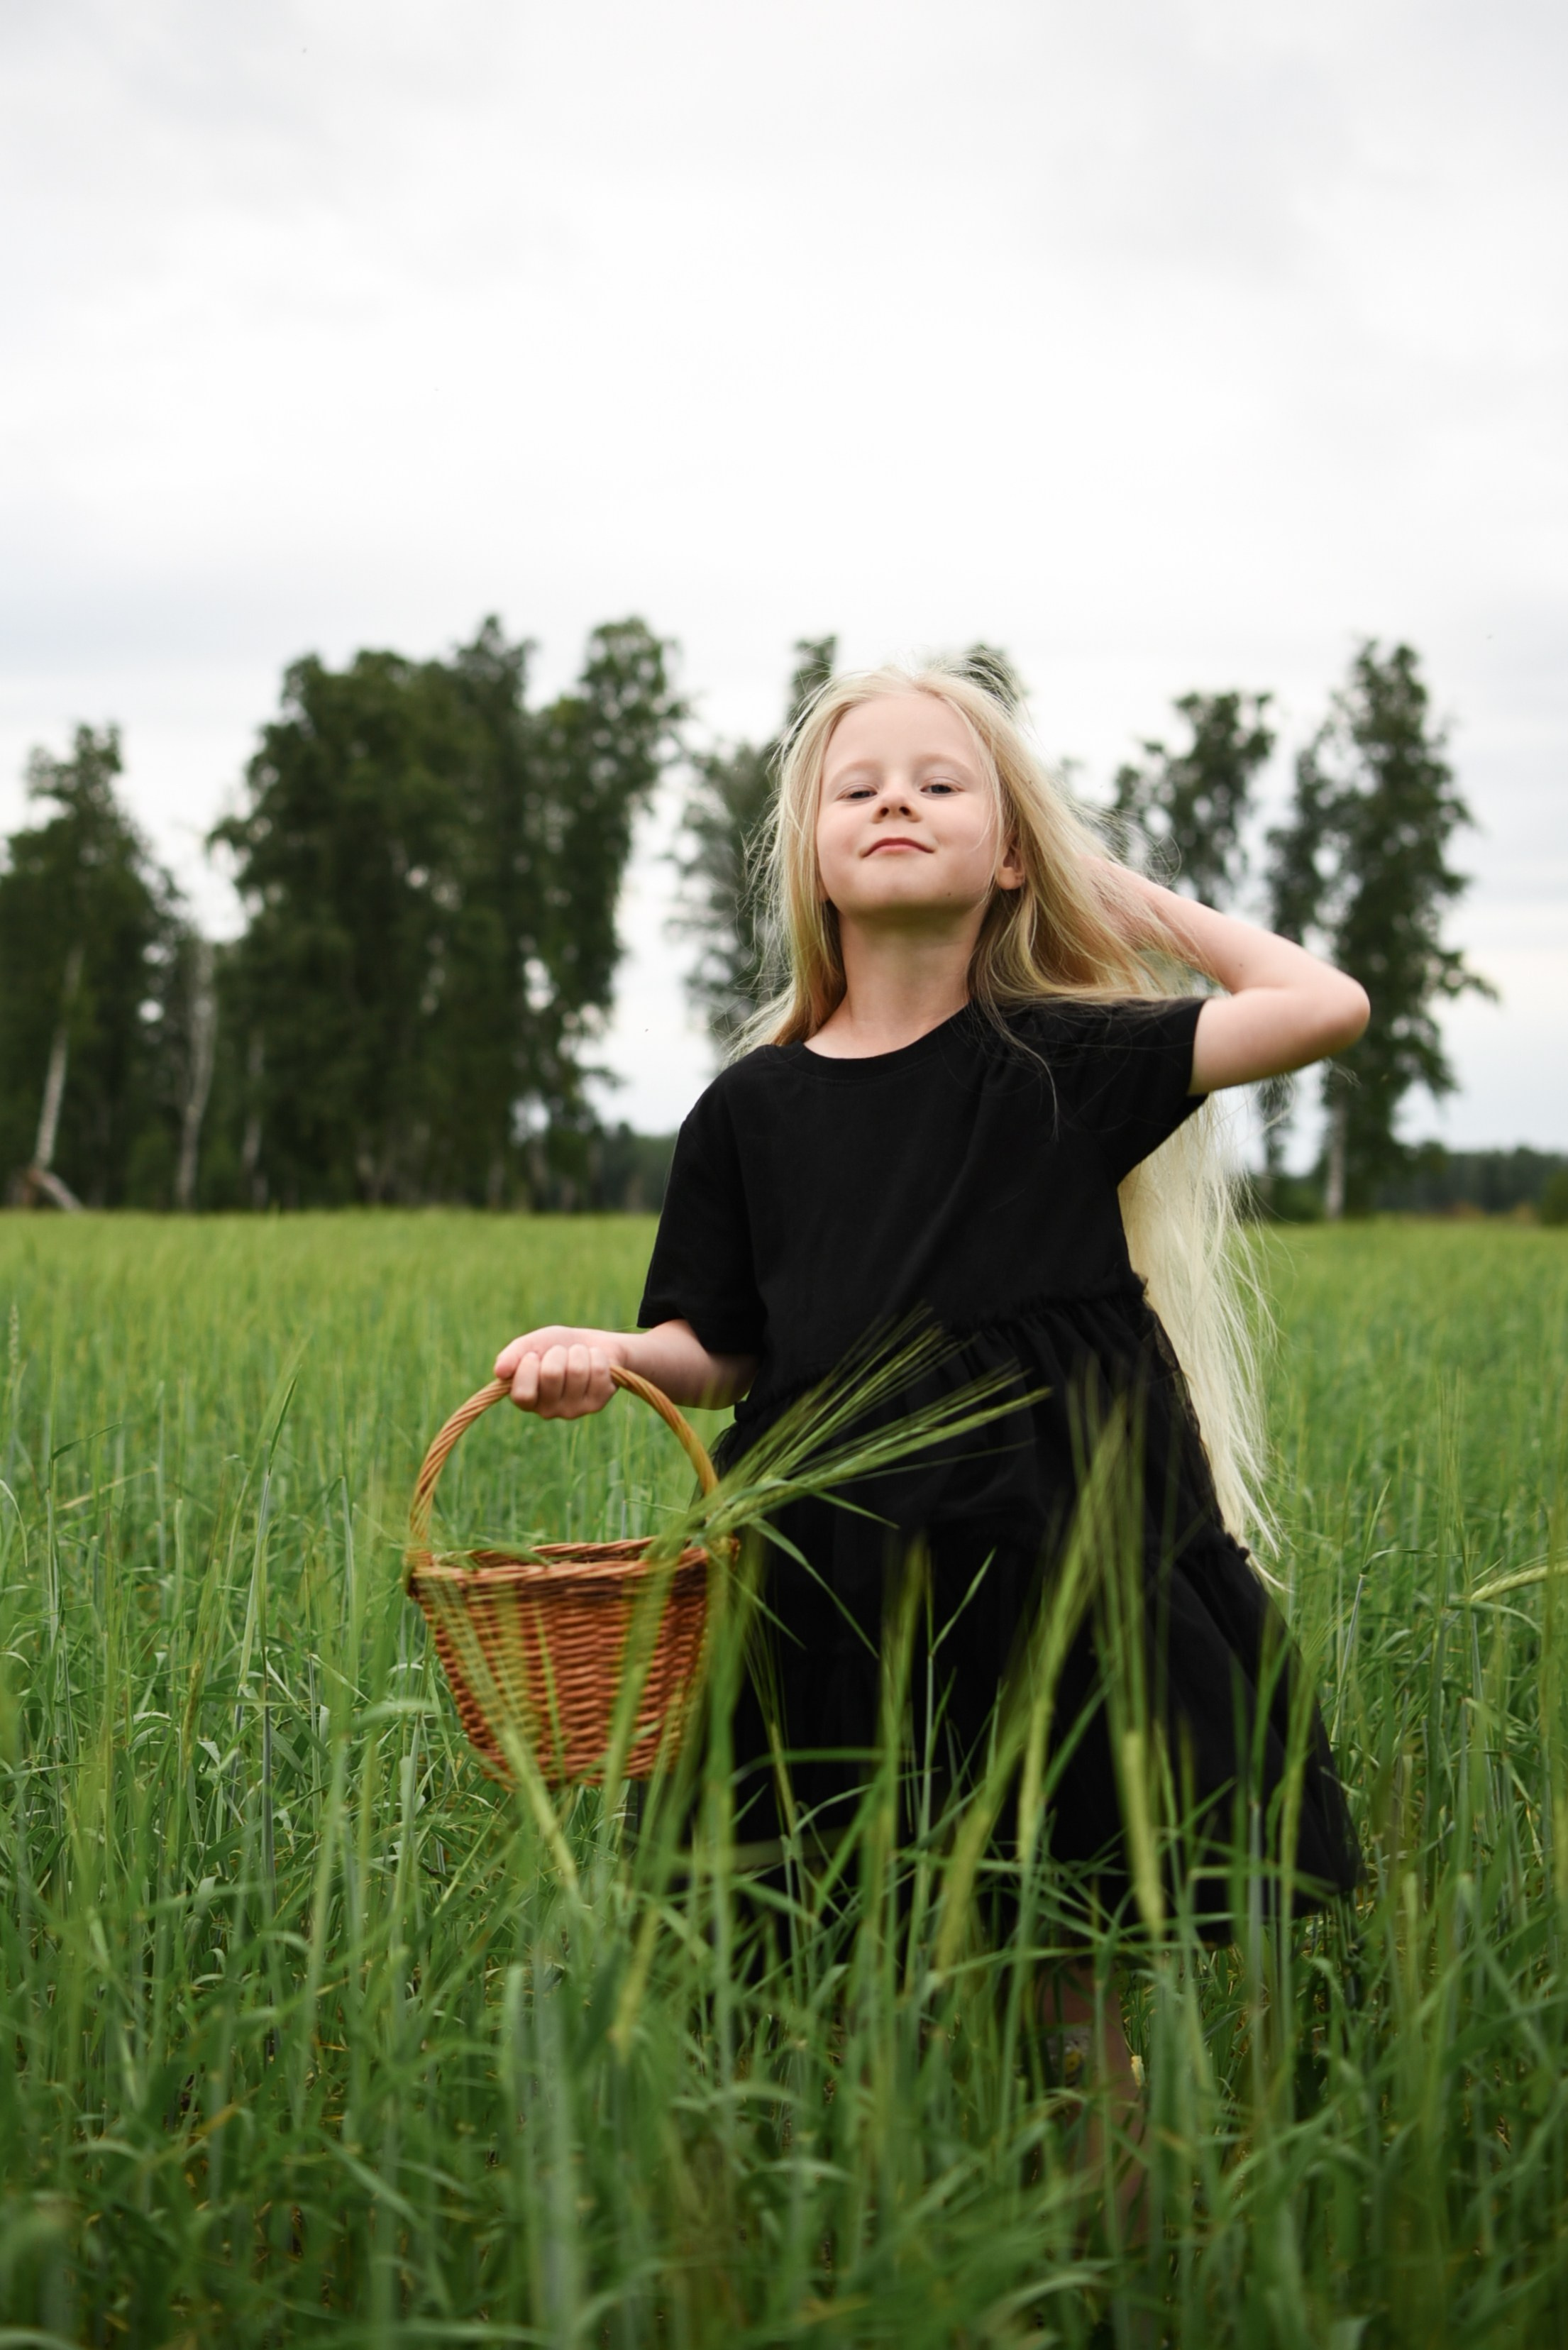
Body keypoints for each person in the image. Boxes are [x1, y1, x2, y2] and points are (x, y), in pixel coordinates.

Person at [493, 661, 1367, 2106]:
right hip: (828, 1581)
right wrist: (615, 1357)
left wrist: (1123, 898)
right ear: (812, 857)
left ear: (1010, 855)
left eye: (941, 783)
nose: (896, 799)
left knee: (1059, 1974)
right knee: (799, 1958)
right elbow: (724, 1349)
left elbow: (1321, 1004)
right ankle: (850, 2204)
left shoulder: (1062, 1060)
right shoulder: (751, 1108)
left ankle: (1114, 2218)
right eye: (859, 787)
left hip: (1051, 1576)